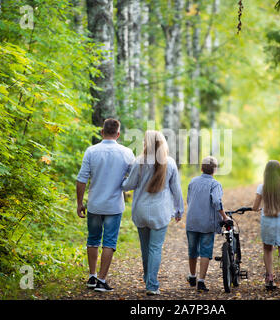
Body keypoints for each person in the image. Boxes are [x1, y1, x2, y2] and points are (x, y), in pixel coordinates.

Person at [122, 130, 184, 296]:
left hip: (141, 210)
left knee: (145, 248)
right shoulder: (169, 163)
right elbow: (176, 189)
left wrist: (122, 180)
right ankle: (152, 284)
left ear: (146, 143)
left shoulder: (139, 162)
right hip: (160, 212)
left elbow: (128, 185)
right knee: (155, 248)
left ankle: (148, 278)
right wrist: (179, 209)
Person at [76, 118, 135, 292]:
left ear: (102, 132)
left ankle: (92, 276)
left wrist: (80, 203)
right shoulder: (127, 153)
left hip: (94, 204)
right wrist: (123, 185)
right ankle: (102, 280)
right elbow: (133, 180)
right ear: (118, 134)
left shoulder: (91, 151)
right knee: (109, 242)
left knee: (93, 239)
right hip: (114, 206)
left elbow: (81, 179)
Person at [185, 156, 230, 292]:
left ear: (201, 168)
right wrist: (224, 216)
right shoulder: (215, 184)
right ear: (214, 170)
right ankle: (201, 281)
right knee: (205, 251)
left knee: (192, 250)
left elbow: (188, 200)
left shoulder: (193, 181)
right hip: (207, 223)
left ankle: (192, 276)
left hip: (192, 221)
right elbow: (216, 201)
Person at [252, 160, 280, 290]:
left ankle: (270, 277)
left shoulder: (262, 187)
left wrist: (255, 208)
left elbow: (255, 207)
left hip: (267, 219)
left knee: (268, 249)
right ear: (279, 172)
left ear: (266, 173)